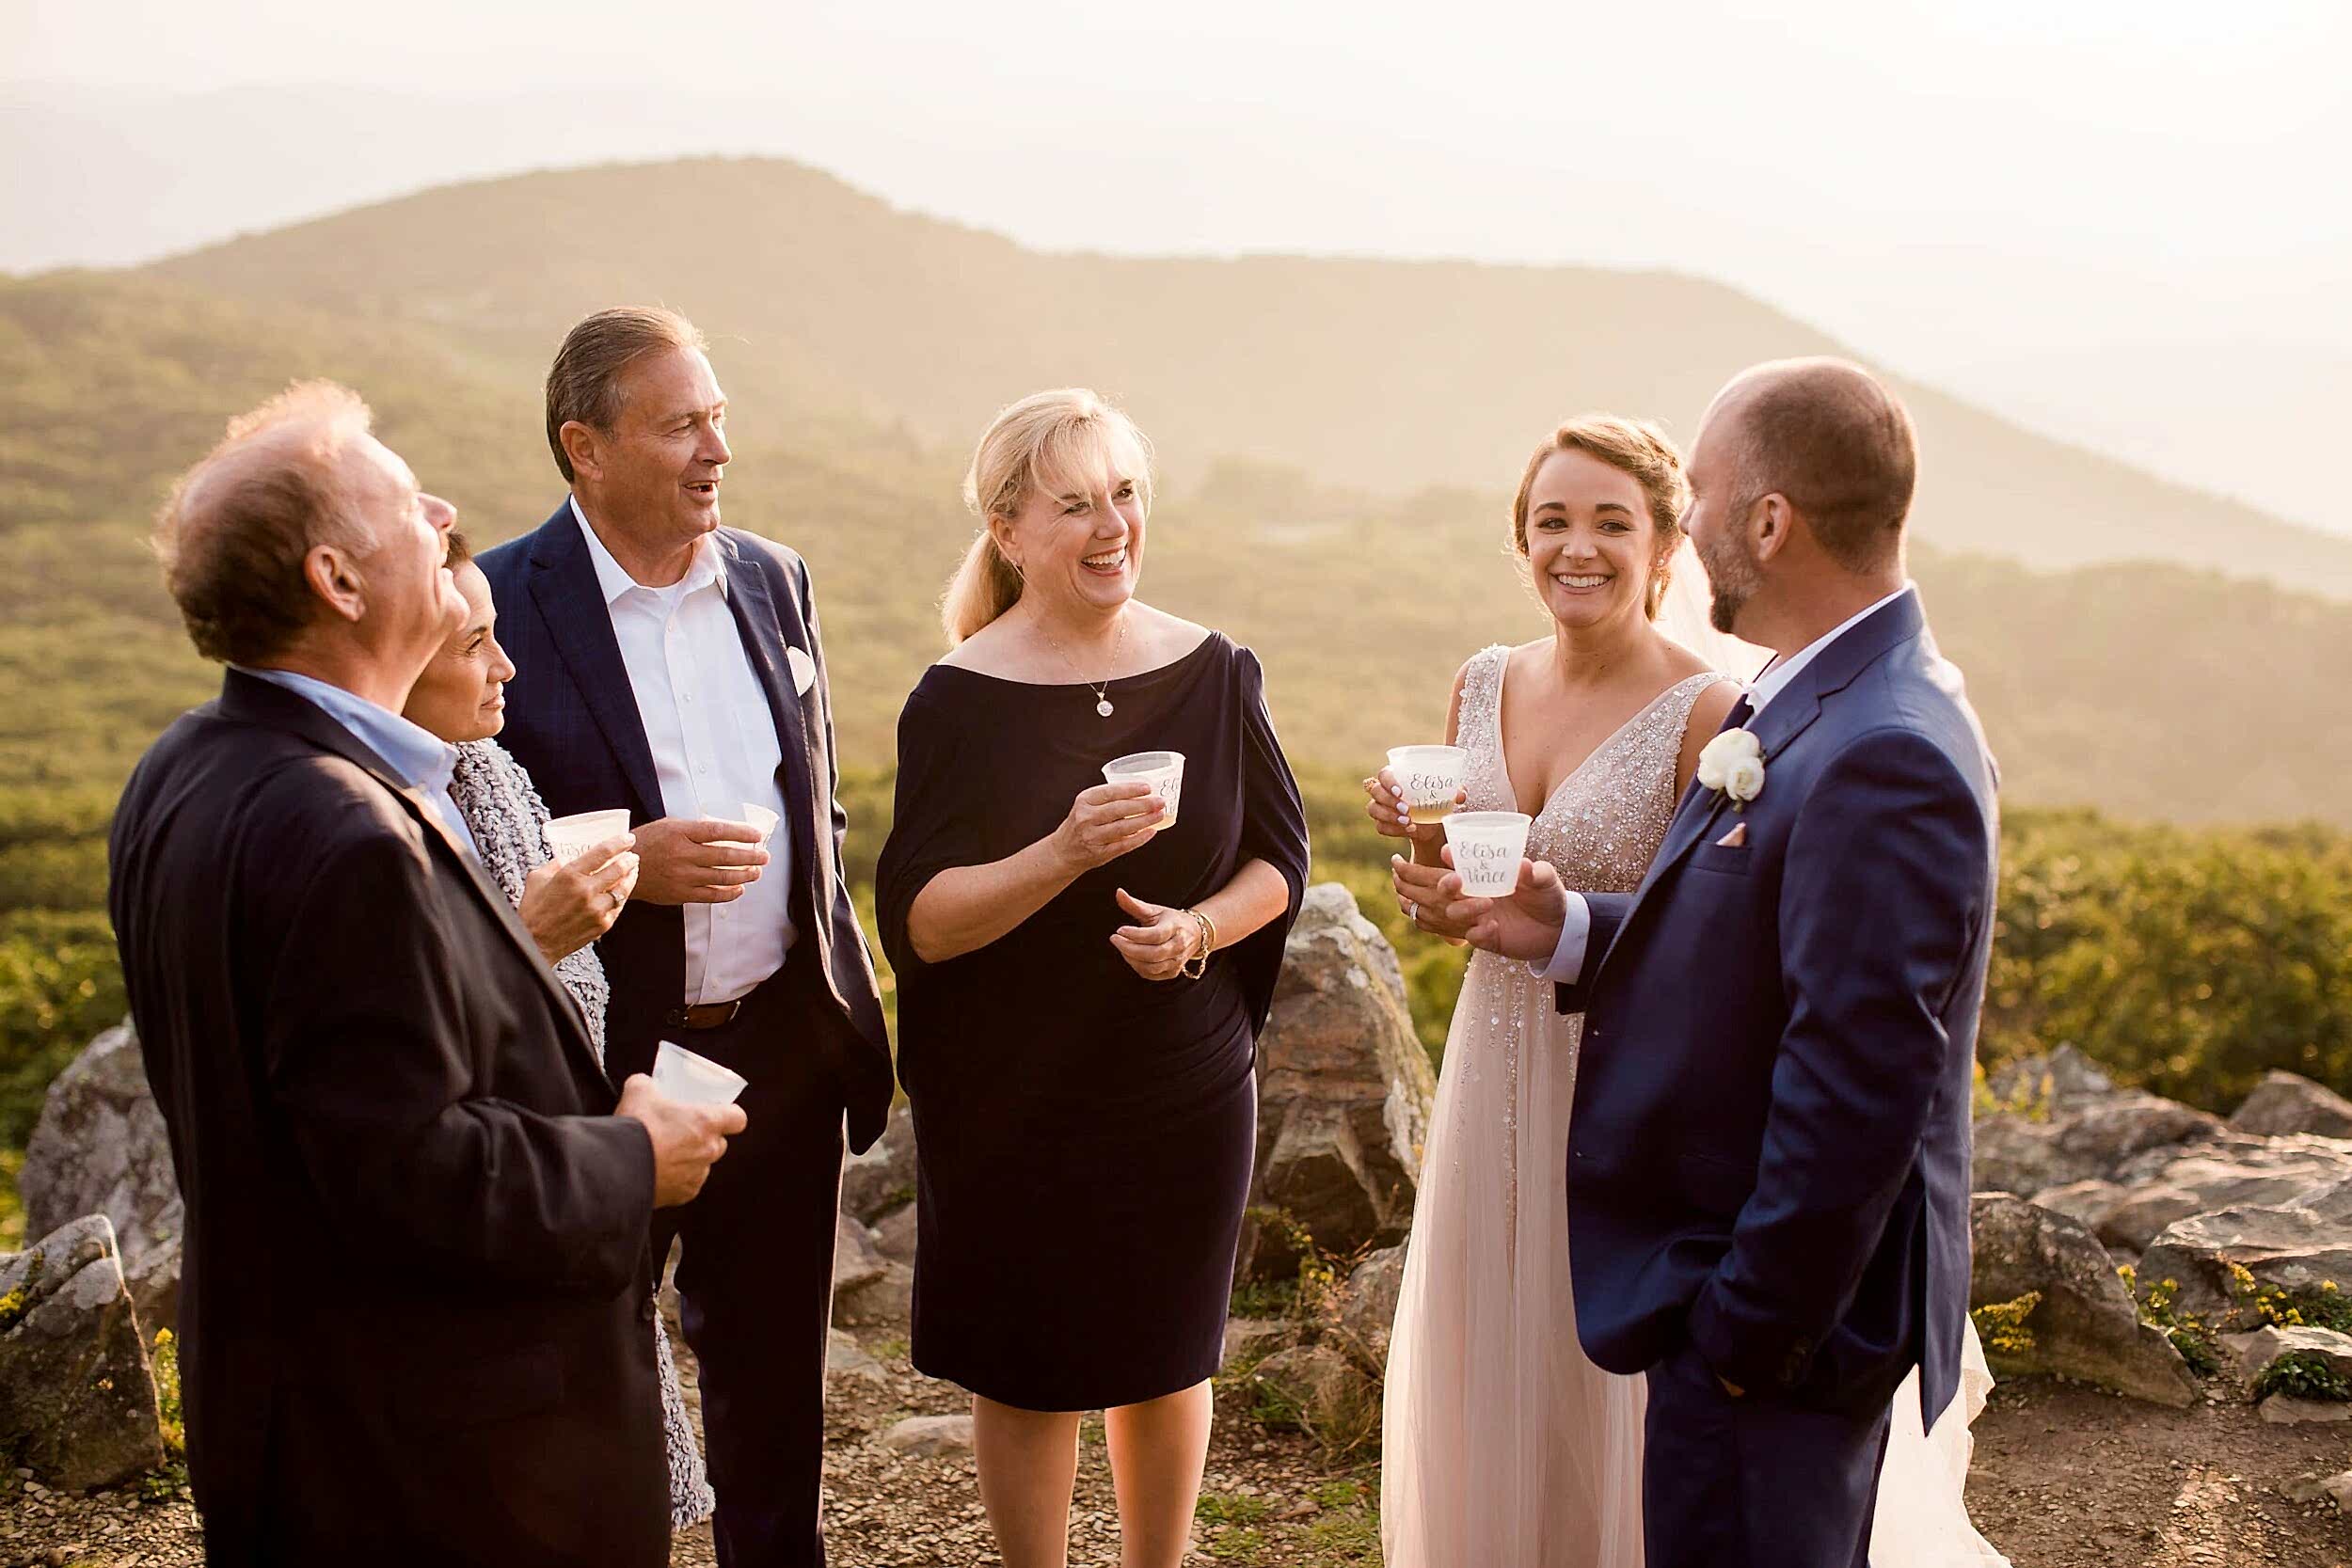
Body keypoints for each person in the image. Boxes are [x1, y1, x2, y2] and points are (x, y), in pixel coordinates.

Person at [108, 381, 743, 1566]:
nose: (444, 507)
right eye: (405, 501)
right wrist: (633, 1155)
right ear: (338, 584)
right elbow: (407, 1174)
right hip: (439, 1464)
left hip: (300, 1423)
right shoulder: (348, 834)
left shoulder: (182, 766)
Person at [1397, 359, 2001, 1568]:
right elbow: (1745, 959)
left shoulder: (1883, 745)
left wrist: (1736, 1333)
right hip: (1733, 1313)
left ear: (1765, 521)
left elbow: (1858, 1087)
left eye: (1704, 491)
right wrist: (1563, 927)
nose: (1696, 518)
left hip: (1771, 1342)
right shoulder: (1817, 697)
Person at [477, 308, 894, 1568]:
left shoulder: (773, 575)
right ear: (584, 446)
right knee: (580, 1361)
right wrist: (626, 866)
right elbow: (460, 836)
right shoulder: (498, 597)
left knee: (772, 1377)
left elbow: (808, 788)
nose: (716, 447)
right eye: (679, 425)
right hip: (606, 1059)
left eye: (718, 416)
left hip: (777, 1039)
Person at [874, 388, 1310, 1568]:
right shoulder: (957, 697)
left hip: (1181, 1082)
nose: (1112, 524)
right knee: (1024, 1370)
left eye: (1124, 494)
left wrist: (1198, 931)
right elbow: (922, 923)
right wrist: (1062, 851)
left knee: (1167, 1357)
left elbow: (1281, 860)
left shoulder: (1216, 671)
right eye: (1075, 503)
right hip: (1013, 1096)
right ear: (1008, 530)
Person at [1372, 415, 1741, 1566]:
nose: (1576, 547)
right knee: (1494, 1345)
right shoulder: (1480, 681)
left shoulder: (1708, 711)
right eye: (1551, 521)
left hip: (1627, 1082)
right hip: (1492, 1062)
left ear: (1668, 546)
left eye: (1611, 523)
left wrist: (1549, 929)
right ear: (1518, 540)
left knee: (1605, 1366)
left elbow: (1717, 951)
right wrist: (1427, 872)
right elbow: (1469, 902)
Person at [400, 528, 717, 1533]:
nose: (506, 665)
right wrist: (534, 933)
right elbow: (407, 1047)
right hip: (491, 1227)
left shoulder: (485, 771)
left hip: (563, 1189)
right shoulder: (370, 816)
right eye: (474, 645)